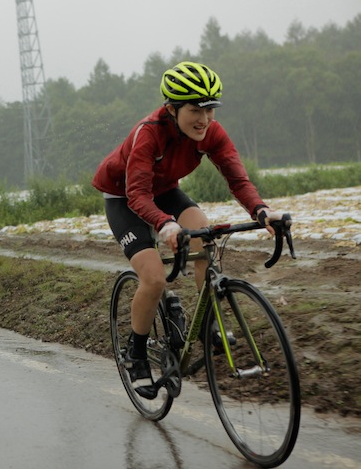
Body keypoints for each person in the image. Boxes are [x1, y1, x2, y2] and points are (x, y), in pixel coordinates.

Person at [92, 61, 285, 394]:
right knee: (152, 278)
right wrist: (164, 224)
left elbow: (237, 180)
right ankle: (136, 352)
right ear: (171, 108)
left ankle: (206, 322)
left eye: (210, 109)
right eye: (196, 109)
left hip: (165, 189)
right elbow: (137, 194)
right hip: (124, 196)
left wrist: (261, 210)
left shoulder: (211, 132)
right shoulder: (149, 133)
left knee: (203, 235)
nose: (205, 119)